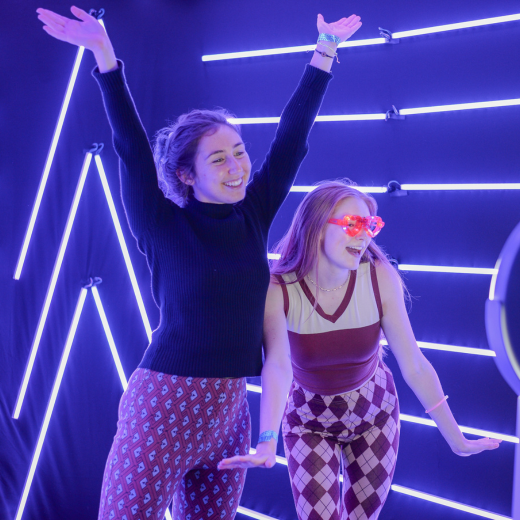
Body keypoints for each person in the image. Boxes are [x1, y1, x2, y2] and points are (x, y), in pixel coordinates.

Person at [36, 6, 362, 520]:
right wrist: (104, 56)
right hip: (161, 408)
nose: (237, 167)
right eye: (219, 159)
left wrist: (324, 50)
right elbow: (131, 150)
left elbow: (291, 140)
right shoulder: (161, 223)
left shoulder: (253, 213)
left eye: (238, 151)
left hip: (229, 410)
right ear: (186, 176)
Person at [266, 179, 501, 520]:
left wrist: (457, 440)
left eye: (370, 225)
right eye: (353, 224)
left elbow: (415, 366)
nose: (365, 236)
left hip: (375, 416)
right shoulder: (280, 289)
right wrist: (266, 438)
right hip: (308, 421)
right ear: (317, 229)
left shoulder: (379, 276)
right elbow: (275, 367)